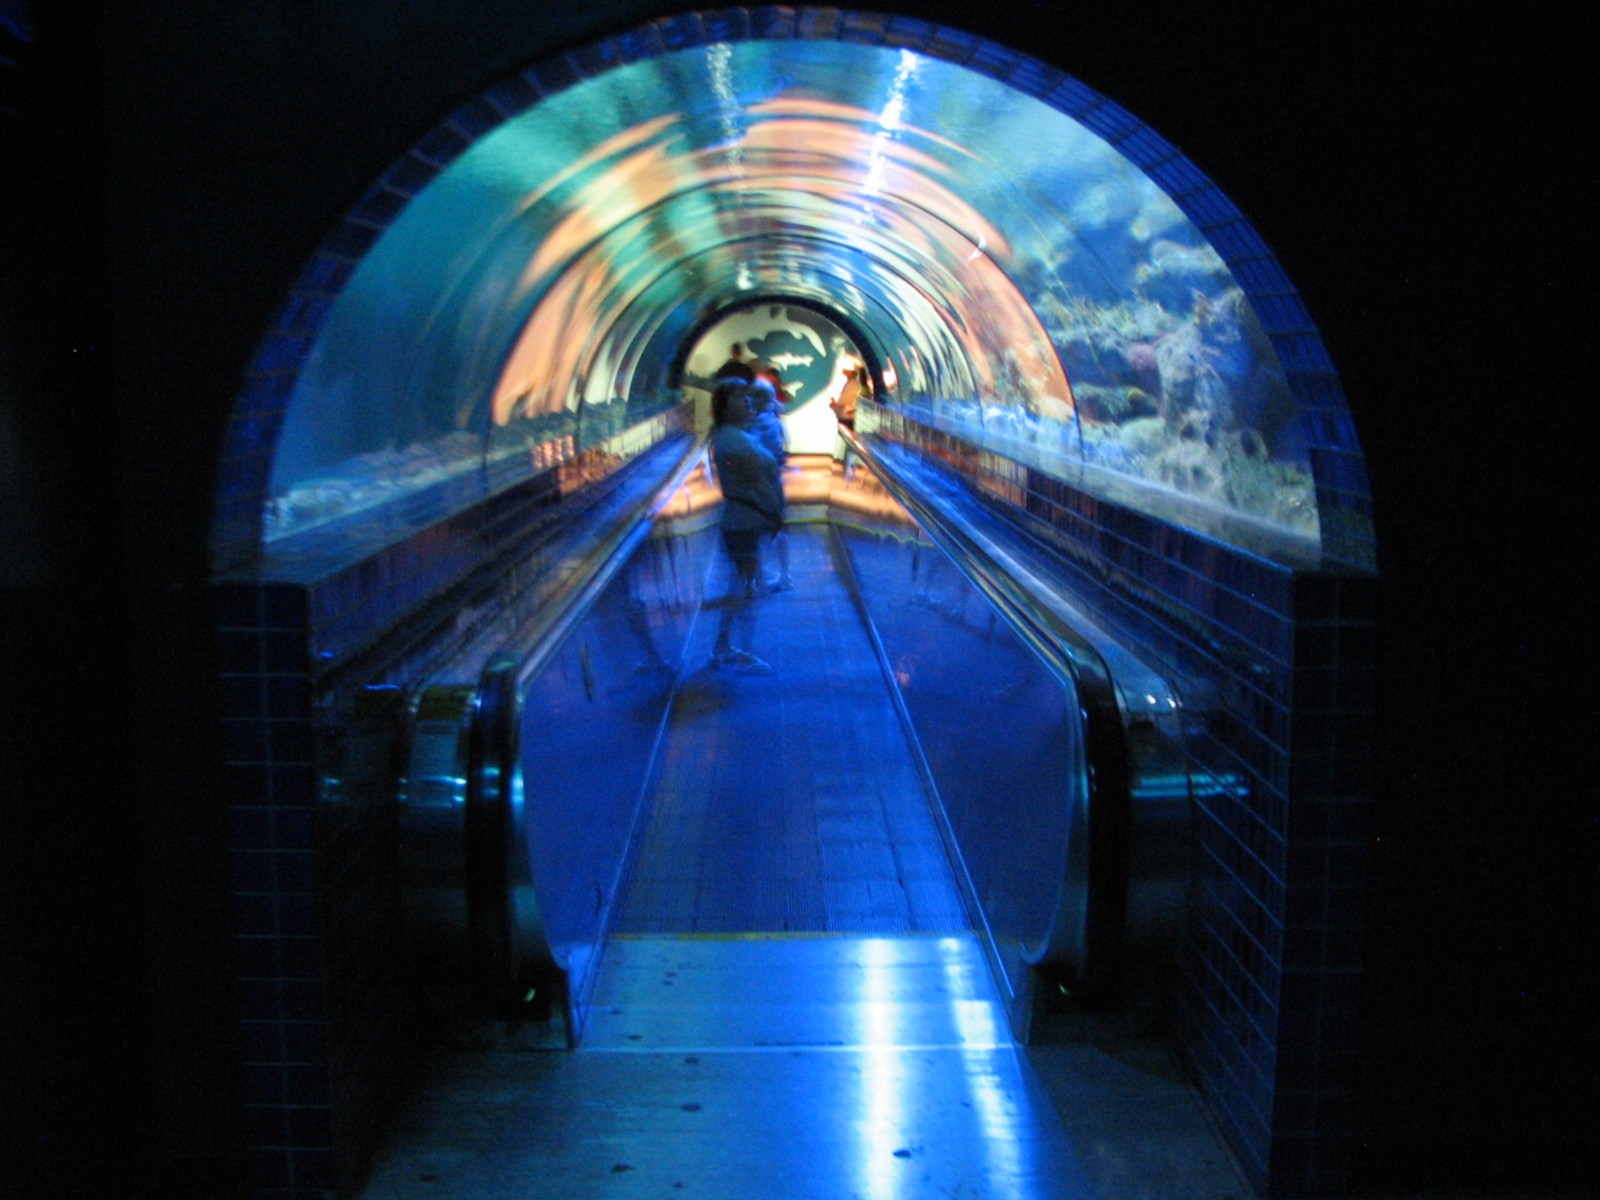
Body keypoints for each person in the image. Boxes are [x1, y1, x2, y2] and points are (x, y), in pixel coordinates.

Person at [708, 380, 782, 673]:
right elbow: (757, 482)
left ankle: (726, 646)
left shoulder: (739, 435)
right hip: (743, 523)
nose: (748, 402)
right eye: (740, 398)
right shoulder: (732, 441)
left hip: (748, 522)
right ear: (725, 406)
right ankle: (736, 650)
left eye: (748, 397)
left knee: (743, 586)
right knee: (746, 587)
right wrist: (774, 512)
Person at [747, 376, 793, 592]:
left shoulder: (760, 424)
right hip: (773, 482)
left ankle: (767, 577)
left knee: (762, 531)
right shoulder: (775, 420)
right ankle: (783, 575)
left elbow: (756, 453)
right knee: (777, 528)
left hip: (762, 484)